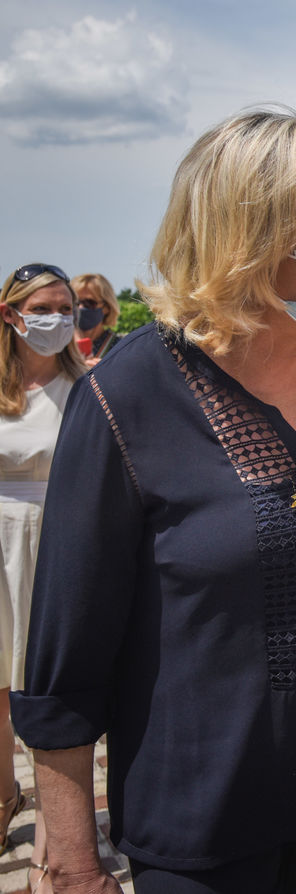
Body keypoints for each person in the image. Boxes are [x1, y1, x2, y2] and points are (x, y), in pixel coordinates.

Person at [12, 109, 296, 894]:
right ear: (244, 239)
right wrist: (72, 859)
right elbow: (68, 657)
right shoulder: (125, 398)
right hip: (206, 814)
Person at [0, 263, 85, 873]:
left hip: (58, 540)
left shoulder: (86, 387)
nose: (57, 320)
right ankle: (5, 795)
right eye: (43, 309)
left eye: (66, 309)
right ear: (11, 314)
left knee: (47, 690)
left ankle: (53, 847)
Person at [71, 273, 122, 363]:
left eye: (89, 302)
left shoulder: (119, 348)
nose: (80, 307)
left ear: (107, 307)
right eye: (75, 302)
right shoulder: (59, 346)